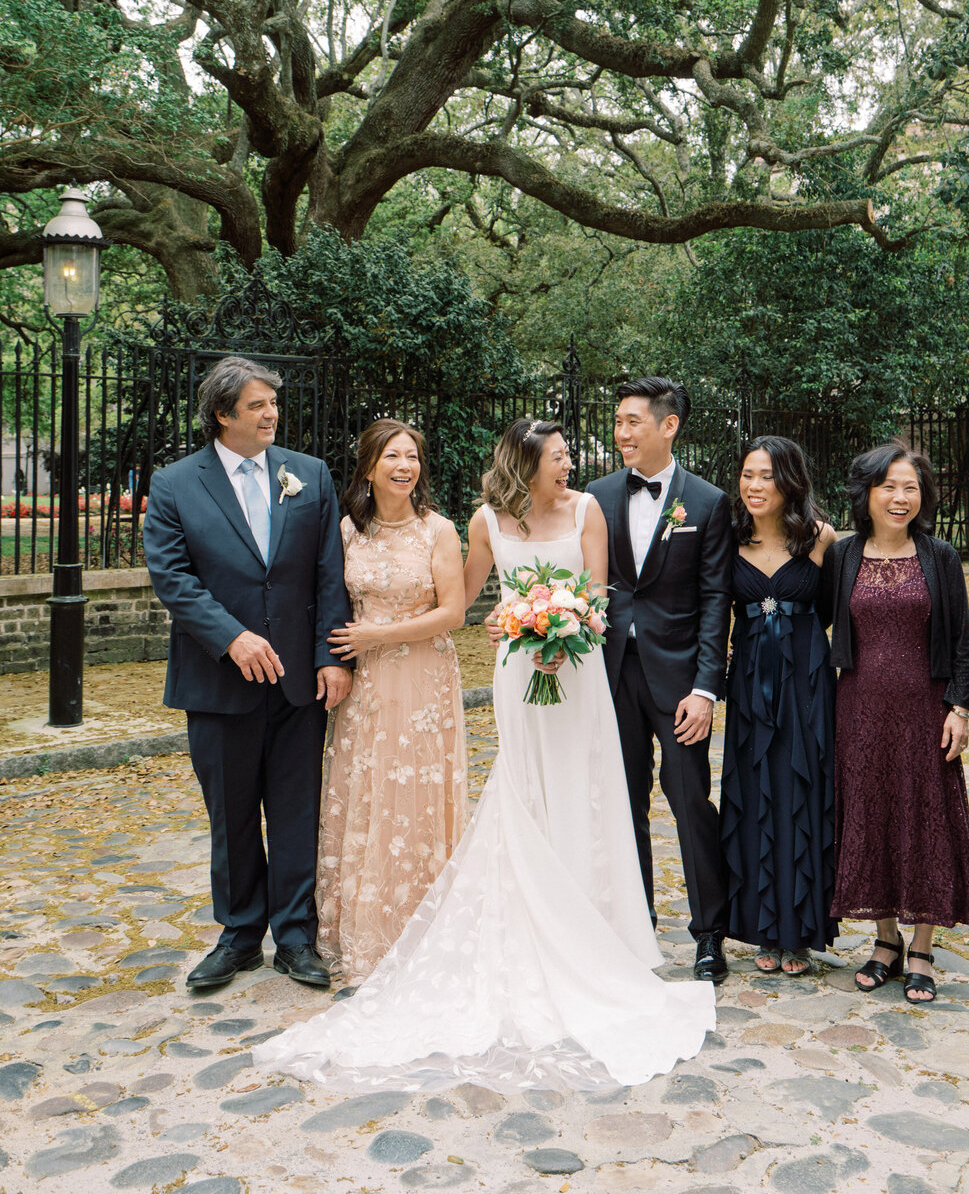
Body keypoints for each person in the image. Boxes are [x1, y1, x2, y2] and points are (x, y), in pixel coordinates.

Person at [255, 418, 714, 1090]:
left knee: (586, 785)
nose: (568, 464)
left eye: (567, 455)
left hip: (578, 670)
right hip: (517, 672)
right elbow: (464, 600)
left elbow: (596, 592)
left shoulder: (588, 509)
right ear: (525, 462)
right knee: (524, 788)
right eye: (557, 456)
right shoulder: (484, 522)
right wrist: (515, 624)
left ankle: (596, 927)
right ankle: (529, 921)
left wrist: (569, 628)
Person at [142, 355, 352, 994]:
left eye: (273, 404)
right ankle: (238, 936)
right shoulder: (176, 484)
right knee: (230, 816)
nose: (272, 414)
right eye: (258, 405)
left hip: (299, 683)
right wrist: (230, 637)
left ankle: (295, 938)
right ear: (223, 414)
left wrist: (330, 657)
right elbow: (173, 579)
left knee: (296, 809)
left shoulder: (308, 474)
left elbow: (328, 574)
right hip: (218, 682)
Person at [822, 441, 969, 1003]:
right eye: (888, 486)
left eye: (910, 487)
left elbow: (963, 642)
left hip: (925, 711)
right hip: (859, 710)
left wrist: (959, 709)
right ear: (866, 493)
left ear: (923, 495)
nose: (899, 497)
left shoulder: (938, 556)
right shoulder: (842, 556)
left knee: (925, 819)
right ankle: (884, 941)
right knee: (871, 817)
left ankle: (921, 946)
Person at [585, 377, 735, 983]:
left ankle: (709, 936)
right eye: (617, 422)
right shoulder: (594, 496)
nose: (621, 433)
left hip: (679, 683)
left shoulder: (706, 502)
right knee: (624, 807)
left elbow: (715, 600)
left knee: (690, 802)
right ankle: (633, 925)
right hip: (610, 674)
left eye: (632, 422)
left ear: (668, 426)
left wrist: (704, 689)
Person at [315, 420, 468, 983]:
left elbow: (453, 612)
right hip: (368, 685)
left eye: (412, 457)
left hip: (422, 675)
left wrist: (376, 636)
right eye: (392, 456)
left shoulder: (439, 530)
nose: (405, 466)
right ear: (369, 466)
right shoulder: (349, 532)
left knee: (417, 792)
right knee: (369, 788)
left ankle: (421, 925)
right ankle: (363, 925)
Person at [720, 436, 838, 975]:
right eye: (747, 475)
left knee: (800, 793)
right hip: (748, 684)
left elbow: (838, 611)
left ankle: (800, 931)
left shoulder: (820, 539)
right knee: (753, 792)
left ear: (789, 480)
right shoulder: (728, 538)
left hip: (806, 684)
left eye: (766, 475)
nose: (754, 486)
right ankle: (762, 930)